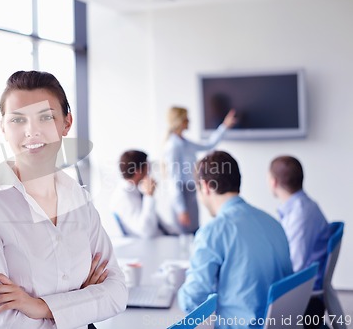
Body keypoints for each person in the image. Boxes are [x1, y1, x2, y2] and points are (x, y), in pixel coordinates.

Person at [0, 70, 127, 329]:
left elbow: (116, 293)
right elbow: (2, 322)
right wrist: (82, 302)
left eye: (45, 117)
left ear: (66, 123)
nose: (31, 132)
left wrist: (40, 307)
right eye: (17, 120)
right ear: (3, 127)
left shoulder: (79, 198)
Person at [177, 151, 293, 328]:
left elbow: (191, 301)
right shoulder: (273, 223)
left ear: (205, 186)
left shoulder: (213, 231)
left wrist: (177, 285)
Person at [268, 155, 330, 325]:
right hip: (307, 290)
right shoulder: (302, 206)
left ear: (273, 182)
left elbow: (296, 266)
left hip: (306, 299)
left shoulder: (300, 215)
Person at [163, 106, 236, 234]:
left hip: (190, 192)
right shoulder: (173, 146)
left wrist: (224, 126)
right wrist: (181, 209)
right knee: (185, 237)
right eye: (186, 118)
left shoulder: (183, 142)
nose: (189, 121)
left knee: (194, 232)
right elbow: (173, 179)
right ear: (180, 121)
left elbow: (208, 145)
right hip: (182, 195)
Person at [110, 150, 175, 238]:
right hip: (152, 244)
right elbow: (147, 231)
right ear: (138, 171)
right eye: (147, 166)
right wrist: (149, 196)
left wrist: (177, 234)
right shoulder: (123, 197)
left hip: (164, 239)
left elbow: (161, 224)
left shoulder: (135, 191)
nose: (150, 171)